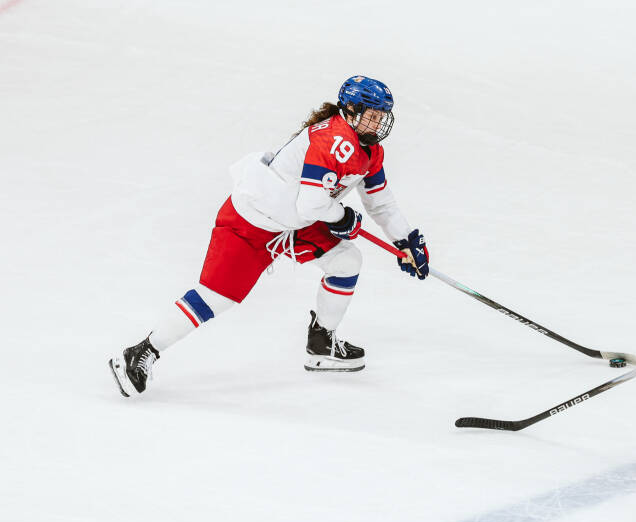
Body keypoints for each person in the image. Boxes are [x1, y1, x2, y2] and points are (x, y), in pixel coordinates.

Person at [109, 75, 429, 397]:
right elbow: (312, 203)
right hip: (250, 224)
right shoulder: (330, 139)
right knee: (216, 299)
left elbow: (380, 202)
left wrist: (406, 239)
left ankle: (321, 344)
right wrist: (343, 216)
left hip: (293, 224)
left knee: (346, 261)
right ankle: (140, 352)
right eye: (371, 114)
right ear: (350, 110)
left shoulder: (370, 152)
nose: (377, 123)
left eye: (381, 116)